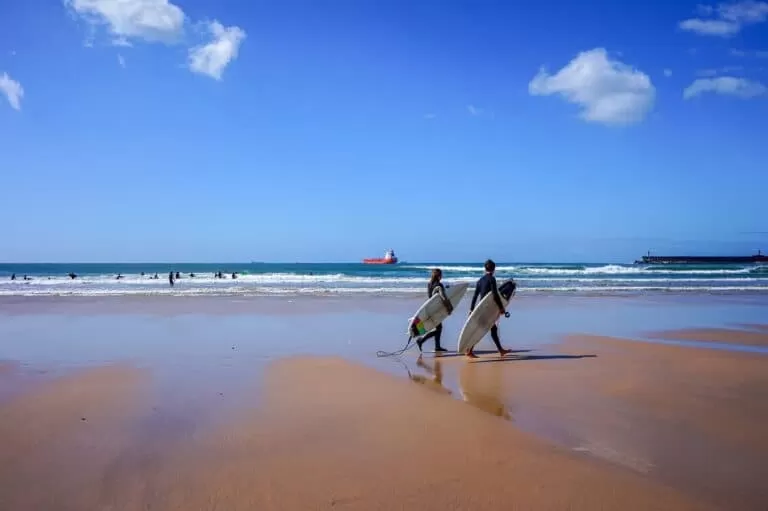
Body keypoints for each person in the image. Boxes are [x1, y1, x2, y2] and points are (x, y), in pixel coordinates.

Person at [467, 259, 511, 358]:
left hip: (480, 308)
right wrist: (501, 308)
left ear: (485, 268)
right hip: (488, 309)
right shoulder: (492, 279)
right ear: (494, 269)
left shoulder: (480, 281)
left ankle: (500, 350)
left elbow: (475, 296)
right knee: (482, 330)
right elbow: (495, 295)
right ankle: (469, 350)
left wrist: (471, 310)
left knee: (492, 329)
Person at [415, 268, 453, 352]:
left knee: (439, 327)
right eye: (441, 274)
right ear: (439, 276)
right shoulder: (439, 285)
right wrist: (448, 307)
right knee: (438, 328)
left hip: (430, 309)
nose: (442, 276)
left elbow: (433, 297)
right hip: (436, 310)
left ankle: (437, 346)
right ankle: (421, 340)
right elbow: (443, 298)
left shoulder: (429, 284)